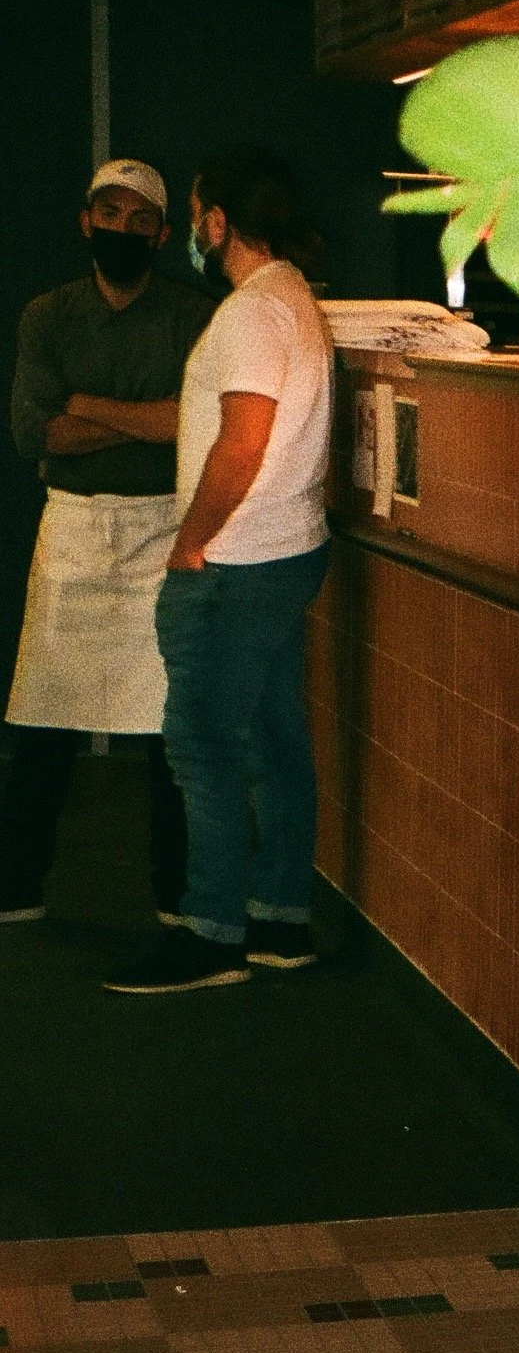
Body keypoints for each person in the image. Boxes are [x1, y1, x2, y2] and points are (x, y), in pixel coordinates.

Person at [104, 147, 335, 997]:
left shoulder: (248, 313)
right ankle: (279, 921)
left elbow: (242, 441)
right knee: (276, 746)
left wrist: (189, 542)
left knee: (200, 750)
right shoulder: (293, 298)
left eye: (199, 213)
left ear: (215, 222)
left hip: (234, 562)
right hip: (286, 553)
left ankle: (210, 934)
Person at [0, 161, 212, 925]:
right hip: (74, 528)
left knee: (166, 731)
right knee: (41, 722)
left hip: (161, 526)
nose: (122, 230)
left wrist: (91, 407)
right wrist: (141, 414)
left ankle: (176, 895)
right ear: (85, 221)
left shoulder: (192, 316)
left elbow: (192, 424)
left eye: (139, 219)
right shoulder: (47, 315)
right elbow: (36, 432)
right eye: (108, 214)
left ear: (162, 233)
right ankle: (16, 888)